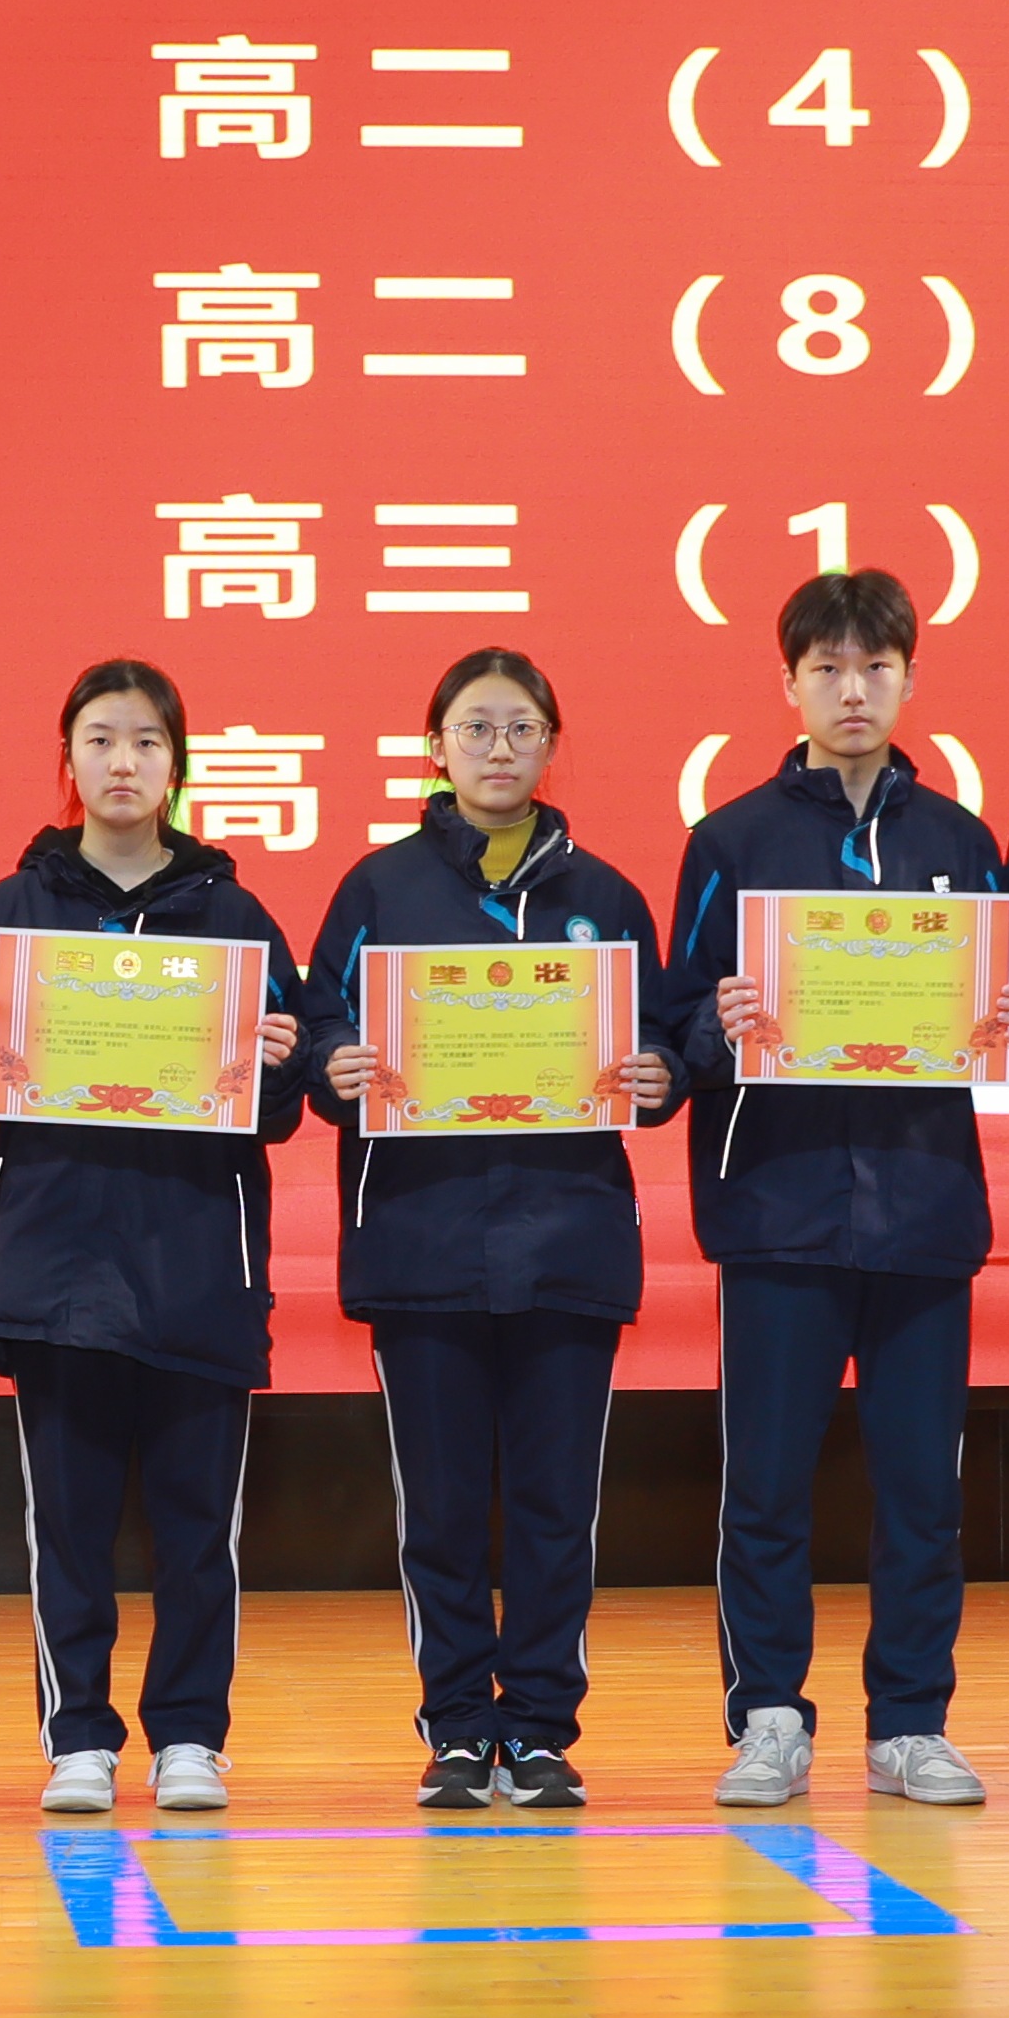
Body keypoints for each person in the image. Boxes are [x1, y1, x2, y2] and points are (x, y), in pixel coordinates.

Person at [662, 566, 1009, 1813]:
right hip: (776, 1207)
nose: (852, 689)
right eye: (825, 668)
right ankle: (767, 1716)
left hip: (924, 1209)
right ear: (789, 684)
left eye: (874, 666)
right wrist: (719, 1024)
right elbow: (677, 1023)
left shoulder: (958, 843)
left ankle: (909, 1721)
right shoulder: (729, 841)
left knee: (921, 1490)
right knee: (765, 1485)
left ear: (908, 679)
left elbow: (1004, 1038)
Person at [0, 656, 310, 1816]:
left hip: (198, 1268)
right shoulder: (12, 909)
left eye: (146, 741)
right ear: (67, 759)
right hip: (58, 1272)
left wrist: (279, 1059)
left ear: (176, 766)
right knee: (71, 1528)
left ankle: (189, 1735)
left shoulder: (234, 917)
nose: (122, 762)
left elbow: (281, 1111)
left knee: (198, 1531)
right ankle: (79, 1738)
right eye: (99, 739)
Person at [305, 645, 672, 1809]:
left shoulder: (606, 896)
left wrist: (656, 1071)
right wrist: (334, 1062)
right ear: (435, 747)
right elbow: (315, 1026)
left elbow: (660, 1041)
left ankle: (543, 1730)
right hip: (421, 1245)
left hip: (569, 1244)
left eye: (520, 728)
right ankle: (460, 1727)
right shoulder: (377, 889)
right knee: (444, 1511)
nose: (498, 748)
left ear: (550, 745)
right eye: (475, 727)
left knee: (557, 1511)